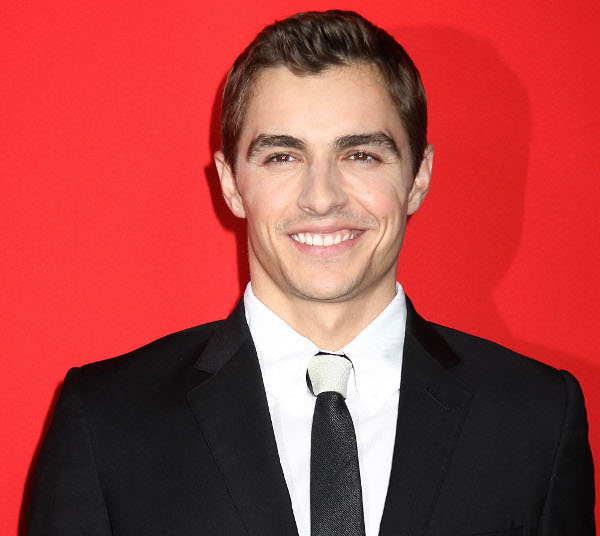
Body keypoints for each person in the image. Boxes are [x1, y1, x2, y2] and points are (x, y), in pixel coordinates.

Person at [27, 10, 594, 536]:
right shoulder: (107, 421)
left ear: (418, 176)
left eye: (360, 155)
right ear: (230, 183)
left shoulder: (536, 418)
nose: (321, 198)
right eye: (282, 156)